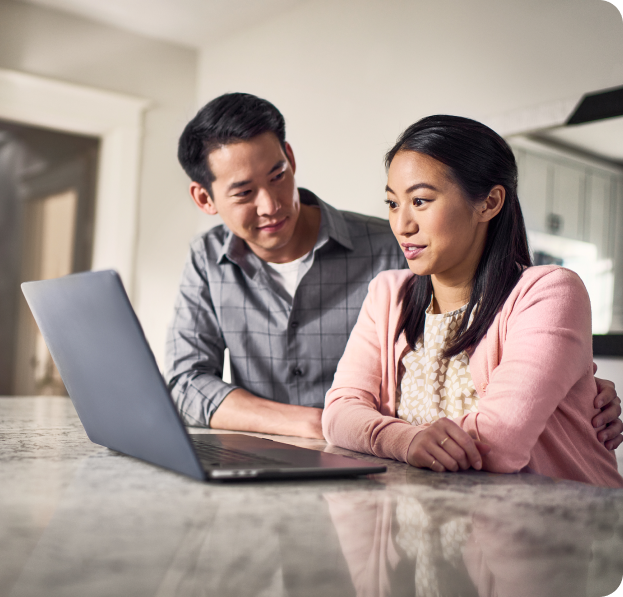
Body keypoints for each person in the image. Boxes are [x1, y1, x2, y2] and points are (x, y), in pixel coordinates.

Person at [165, 92, 622, 452]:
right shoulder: (208, 260)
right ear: (206, 199)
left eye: (278, 174)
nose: (271, 204)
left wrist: (572, 390)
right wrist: (318, 421)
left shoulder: (396, 253)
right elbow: (186, 382)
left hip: (376, 465)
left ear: (290, 156)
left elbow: (498, 397)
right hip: (305, 456)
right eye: (244, 192)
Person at [322, 115, 623, 487]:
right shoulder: (388, 295)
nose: (402, 224)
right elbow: (337, 416)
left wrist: (380, 433)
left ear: (489, 203)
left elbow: (498, 444)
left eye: (420, 200)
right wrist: (407, 439)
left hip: (559, 529)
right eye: (393, 203)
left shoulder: (548, 293)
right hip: (430, 522)